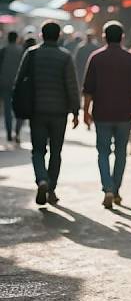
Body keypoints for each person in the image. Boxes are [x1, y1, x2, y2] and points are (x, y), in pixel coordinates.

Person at [14, 22, 80, 205]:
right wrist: (75, 111)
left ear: (42, 35)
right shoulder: (65, 57)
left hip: (37, 111)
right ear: (58, 36)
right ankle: (51, 189)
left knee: (38, 151)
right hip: (59, 113)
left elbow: (19, 82)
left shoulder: (32, 53)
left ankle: (41, 179)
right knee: (56, 152)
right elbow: (72, 86)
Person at [83, 21, 131, 209]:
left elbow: (88, 90)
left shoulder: (95, 58)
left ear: (104, 36)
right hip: (124, 114)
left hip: (102, 113)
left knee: (103, 152)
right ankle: (116, 189)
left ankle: (108, 188)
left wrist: (85, 111)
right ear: (122, 37)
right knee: (121, 154)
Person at [0, 31, 23, 143]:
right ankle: (17, 132)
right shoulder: (22, 51)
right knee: (19, 108)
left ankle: (9, 132)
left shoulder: (3, 50)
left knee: (7, 109)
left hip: (4, 83)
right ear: (17, 38)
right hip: (18, 84)